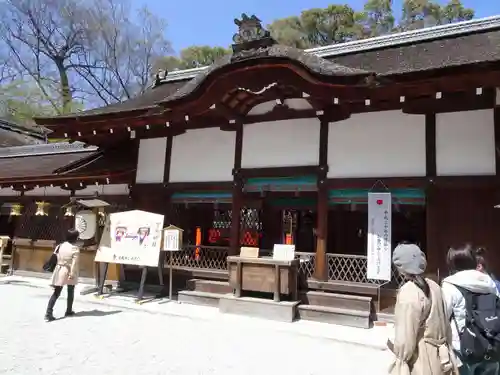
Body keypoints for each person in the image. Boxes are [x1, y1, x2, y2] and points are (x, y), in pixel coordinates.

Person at [389, 243, 458, 375]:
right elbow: (446, 326)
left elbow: (405, 339)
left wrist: (400, 363)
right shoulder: (435, 286)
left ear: (400, 267)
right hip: (443, 357)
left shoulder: (408, 292)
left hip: (422, 358)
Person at [441, 244, 500, 375]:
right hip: (492, 344)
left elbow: (442, 316)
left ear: (452, 263)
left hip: (464, 350)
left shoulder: (450, 285)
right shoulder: (489, 283)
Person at [45, 228, 80, 322]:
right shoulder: (75, 248)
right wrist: (72, 273)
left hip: (59, 269)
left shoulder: (60, 245)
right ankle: (68, 310)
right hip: (68, 269)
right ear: (75, 238)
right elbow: (74, 263)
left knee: (56, 292)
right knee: (70, 290)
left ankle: (48, 312)